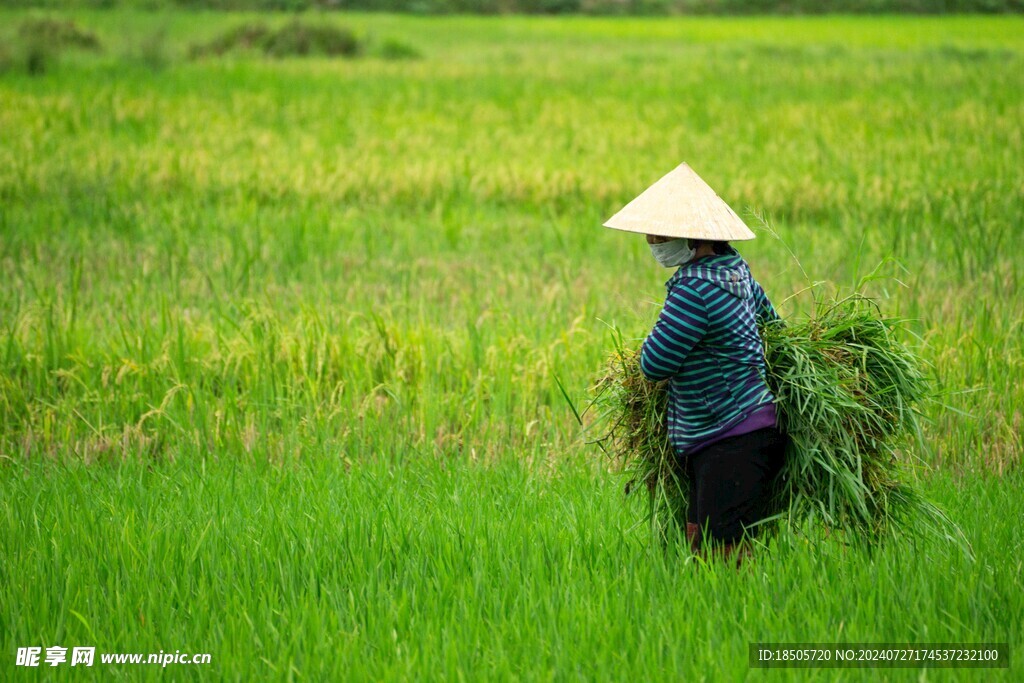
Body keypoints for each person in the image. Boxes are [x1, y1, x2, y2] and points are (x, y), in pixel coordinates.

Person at [602, 163, 786, 564]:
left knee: (720, 552)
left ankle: (735, 617)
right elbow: (775, 326)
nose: (652, 241)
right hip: (738, 431)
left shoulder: (695, 289)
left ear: (694, 237)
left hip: (729, 436)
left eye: (660, 233)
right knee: (701, 539)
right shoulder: (735, 270)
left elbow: (654, 363)